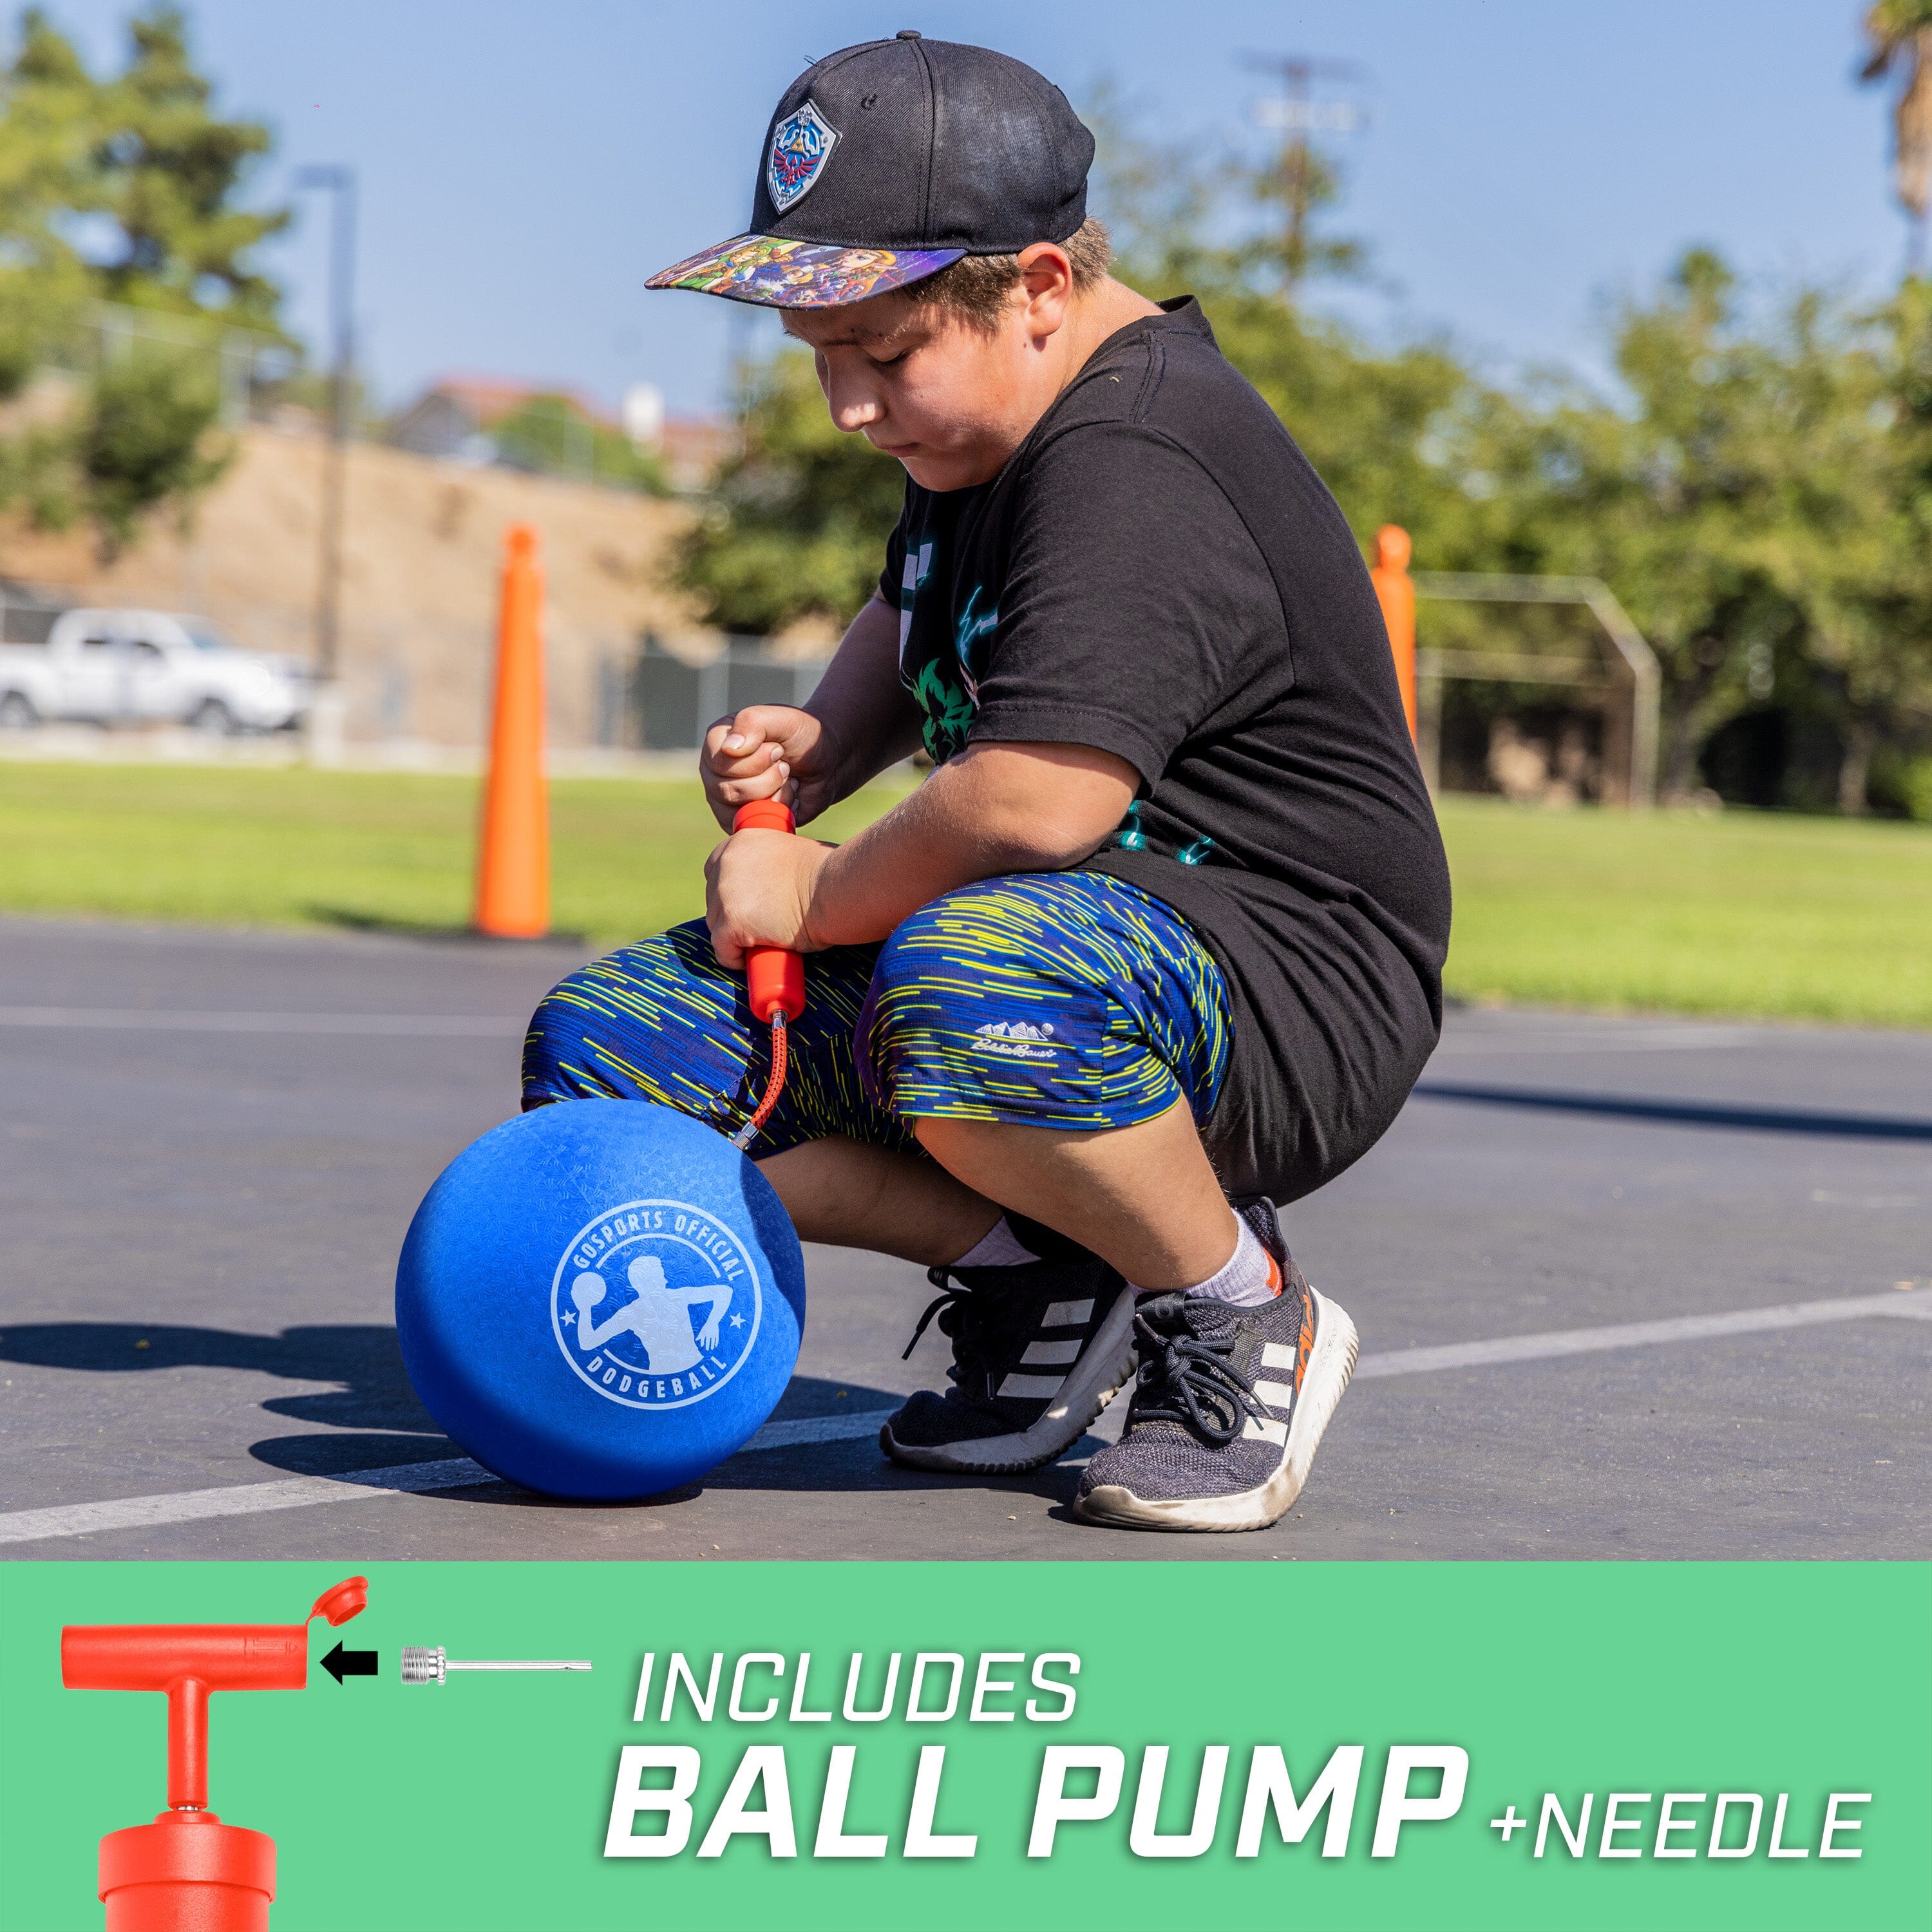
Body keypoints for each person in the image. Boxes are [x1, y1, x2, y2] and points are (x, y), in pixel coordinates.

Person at [524, 32, 1450, 1533]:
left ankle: (1232, 1300)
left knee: (973, 979)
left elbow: (1037, 802)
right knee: (616, 1062)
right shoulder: (979, 435)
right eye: (823, 356)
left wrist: (817, 892)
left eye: (884, 357)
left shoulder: (1141, 450)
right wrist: (826, 739)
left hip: (1280, 980)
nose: (848, 404)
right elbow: (916, 607)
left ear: (1036, 288)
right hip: (1062, 947)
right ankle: (1042, 1264)